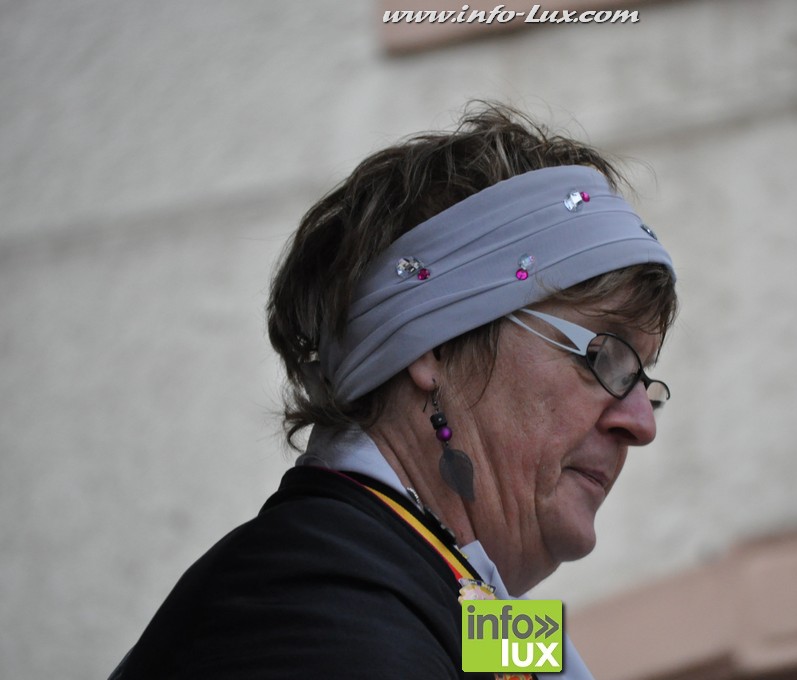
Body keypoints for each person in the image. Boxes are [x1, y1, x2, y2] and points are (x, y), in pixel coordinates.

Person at [109, 103, 677, 679]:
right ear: (432, 346)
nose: (642, 423)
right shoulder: (313, 603)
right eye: (606, 356)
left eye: (644, 381)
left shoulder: (435, 590)